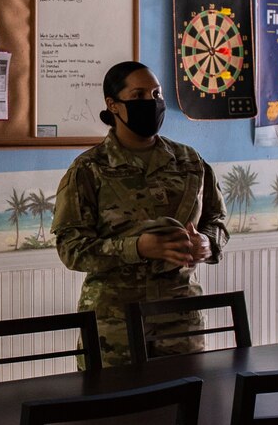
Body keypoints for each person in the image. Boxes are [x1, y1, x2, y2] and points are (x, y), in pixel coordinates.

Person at [52, 61, 227, 366]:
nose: (151, 102)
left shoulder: (189, 162)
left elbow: (217, 222)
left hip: (179, 316)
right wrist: (136, 248)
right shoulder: (89, 169)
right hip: (114, 323)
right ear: (113, 105)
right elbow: (71, 248)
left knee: (187, 405)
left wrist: (207, 244)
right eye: (138, 95)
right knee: (114, 410)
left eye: (156, 94)